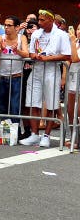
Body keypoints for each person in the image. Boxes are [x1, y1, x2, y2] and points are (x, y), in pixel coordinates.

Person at [19, 9, 71, 147]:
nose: (39, 22)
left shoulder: (61, 35)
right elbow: (31, 53)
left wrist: (49, 58)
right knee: (32, 102)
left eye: (42, 20)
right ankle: (35, 134)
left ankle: (46, 135)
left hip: (51, 71)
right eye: (39, 20)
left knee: (51, 104)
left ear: (51, 20)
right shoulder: (36, 34)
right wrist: (34, 56)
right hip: (36, 69)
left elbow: (67, 56)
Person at [0, 16, 28, 126]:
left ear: (17, 27)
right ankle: (5, 132)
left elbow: (26, 54)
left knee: (15, 106)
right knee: (2, 106)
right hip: (1, 76)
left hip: (16, 77)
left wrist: (17, 50)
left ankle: (15, 131)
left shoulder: (22, 38)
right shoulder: (0, 37)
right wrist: (2, 48)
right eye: (5, 25)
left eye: (9, 25)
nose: (6, 27)